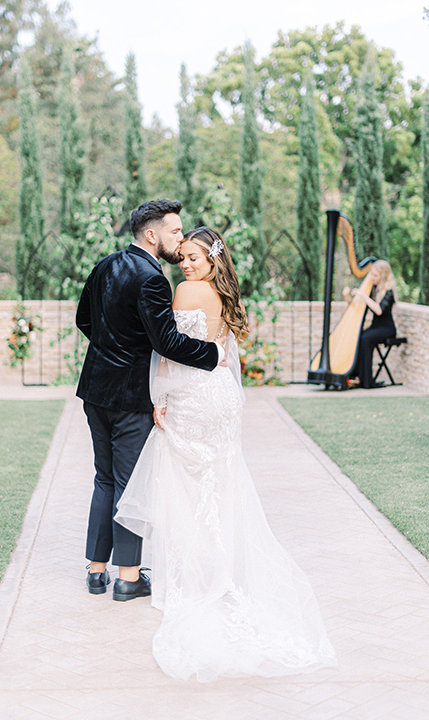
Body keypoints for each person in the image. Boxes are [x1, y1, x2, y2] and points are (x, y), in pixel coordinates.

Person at [115, 226, 337, 682]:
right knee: (219, 482)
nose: (187, 264)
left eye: (194, 256)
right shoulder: (224, 292)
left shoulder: (186, 291)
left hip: (194, 397)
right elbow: (224, 353)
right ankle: (223, 567)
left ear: (212, 257)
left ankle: (193, 577)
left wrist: (159, 396)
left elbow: (170, 353)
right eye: (184, 259)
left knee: (183, 485)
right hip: (222, 398)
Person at [75, 200, 225, 601]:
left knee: (104, 478)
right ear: (152, 234)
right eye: (176, 232)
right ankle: (127, 577)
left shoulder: (105, 265)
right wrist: (213, 355)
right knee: (127, 482)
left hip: (94, 391)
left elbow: (83, 320)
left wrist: (110, 351)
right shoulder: (153, 278)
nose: (181, 238)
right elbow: (167, 342)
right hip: (129, 398)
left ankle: (95, 571)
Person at [344, 260, 397, 388]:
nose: (372, 278)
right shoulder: (372, 288)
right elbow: (356, 305)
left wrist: (363, 295)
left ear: (383, 276)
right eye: (372, 274)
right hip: (375, 327)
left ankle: (368, 381)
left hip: (387, 328)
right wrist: (347, 296)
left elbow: (379, 310)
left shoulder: (389, 291)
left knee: (366, 338)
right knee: (358, 336)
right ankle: (357, 376)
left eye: (375, 275)